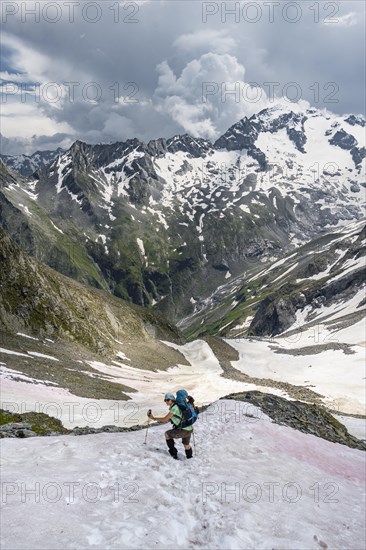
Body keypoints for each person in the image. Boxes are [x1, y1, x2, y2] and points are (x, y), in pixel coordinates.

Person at [148, 392, 193, 459]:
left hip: (183, 429)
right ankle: (190, 458)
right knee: (186, 445)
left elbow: (164, 419)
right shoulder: (180, 406)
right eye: (165, 400)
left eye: (168, 400)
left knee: (167, 435)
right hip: (189, 428)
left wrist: (153, 418)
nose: (166, 401)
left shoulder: (174, 408)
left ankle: (174, 454)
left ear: (172, 399)